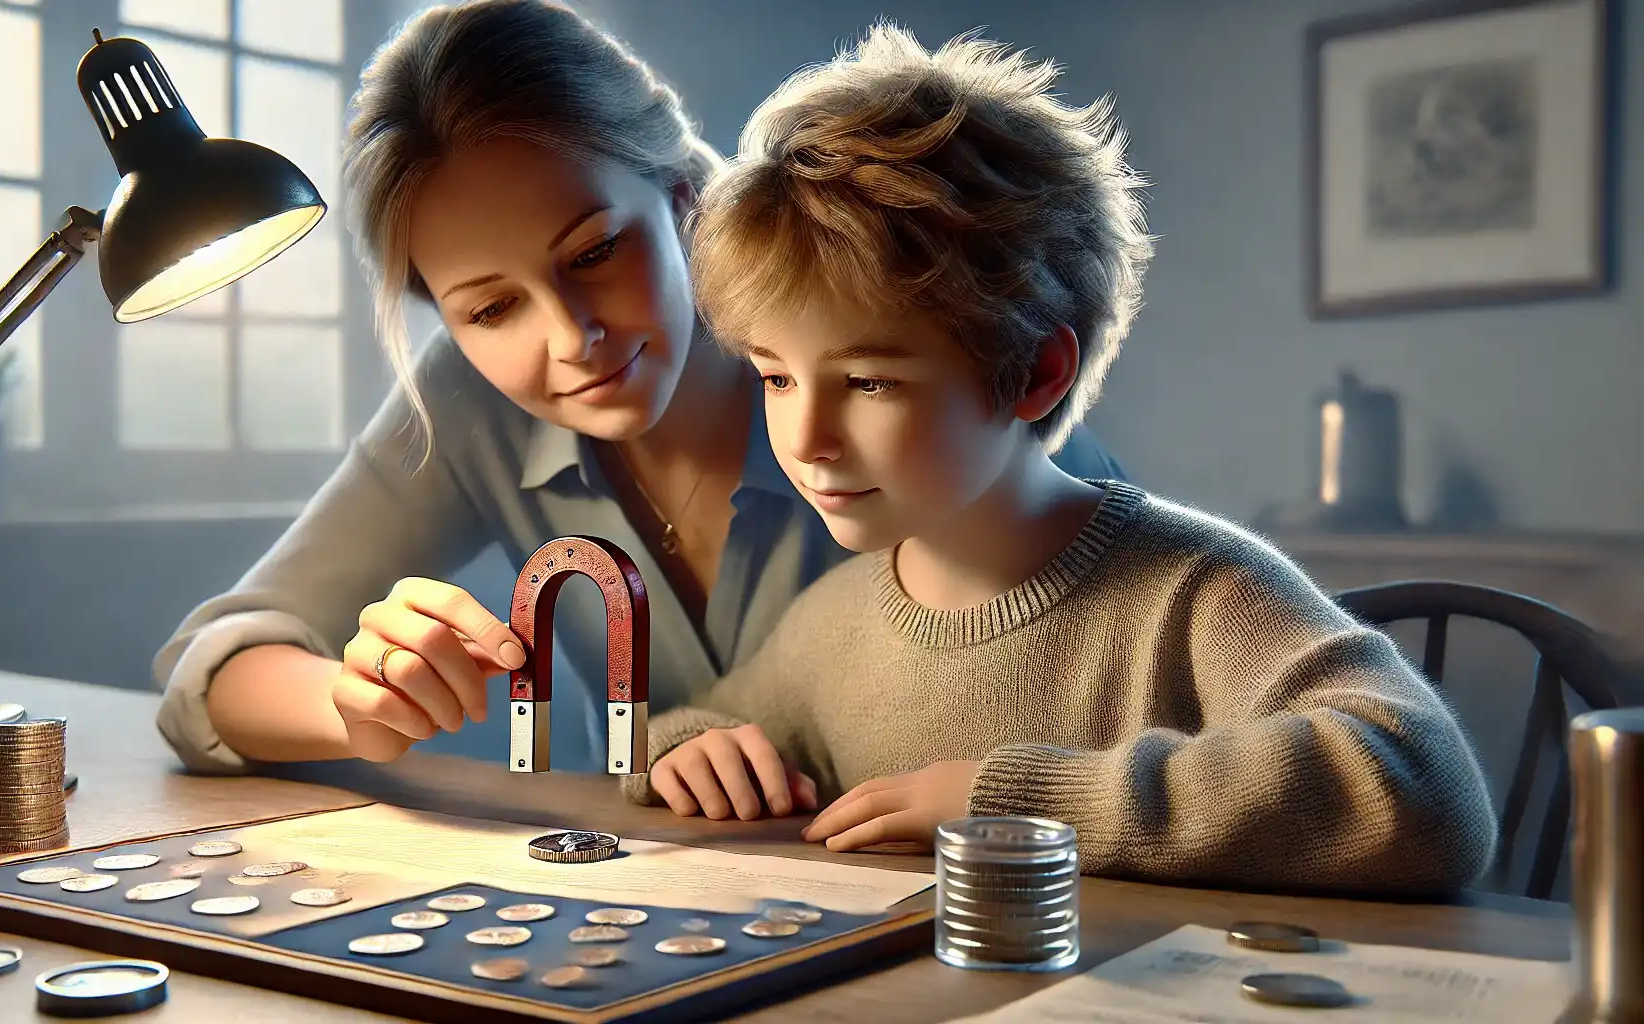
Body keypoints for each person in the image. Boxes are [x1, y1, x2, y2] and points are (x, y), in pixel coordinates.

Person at [624, 24, 1499, 894]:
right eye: (776, 379)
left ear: (1037, 373)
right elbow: (700, 728)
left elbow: (1427, 795)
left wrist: (1024, 803)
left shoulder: (1191, 592)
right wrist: (682, 748)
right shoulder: (831, 625)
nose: (804, 438)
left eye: (868, 383)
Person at [150, 0, 1130, 776]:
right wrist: (351, 705)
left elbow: (1109, 624)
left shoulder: (880, 342)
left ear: (683, 199)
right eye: (489, 311)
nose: (570, 338)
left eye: (595, 252)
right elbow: (213, 666)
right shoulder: (468, 403)